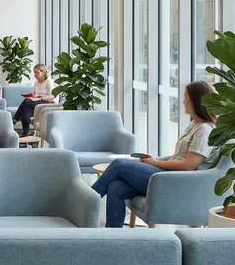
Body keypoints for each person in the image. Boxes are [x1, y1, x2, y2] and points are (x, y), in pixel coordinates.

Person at [92, 81, 217, 228]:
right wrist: (153, 160)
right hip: (167, 175)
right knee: (115, 187)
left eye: (186, 97)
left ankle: (88, 201)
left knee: (119, 165)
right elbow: (179, 156)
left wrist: (156, 163)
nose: (183, 101)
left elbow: (189, 165)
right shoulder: (195, 125)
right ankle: (113, 237)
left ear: (197, 102)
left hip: (176, 182)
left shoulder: (204, 130)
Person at [13, 63, 56, 136]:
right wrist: (32, 96)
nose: (35, 74)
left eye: (37, 72)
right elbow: (33, 93)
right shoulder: (36, 83)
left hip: (48, 102)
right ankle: (26, 133)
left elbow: (52, 96)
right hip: (37, 102)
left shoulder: (49, 81)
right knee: (26, 110)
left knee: (26, 102)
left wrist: (39, 98)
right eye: (34, 72)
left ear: (43, 72)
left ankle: (15, 119)